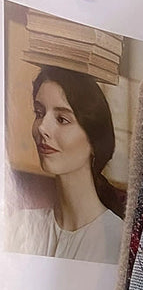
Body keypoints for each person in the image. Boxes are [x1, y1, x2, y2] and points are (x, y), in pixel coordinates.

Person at [2, 65, 125, 262]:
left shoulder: (118, 241)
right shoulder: (19, 226)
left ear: (94, 141)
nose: (42, 127)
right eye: (39, 113)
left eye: (62, 119)